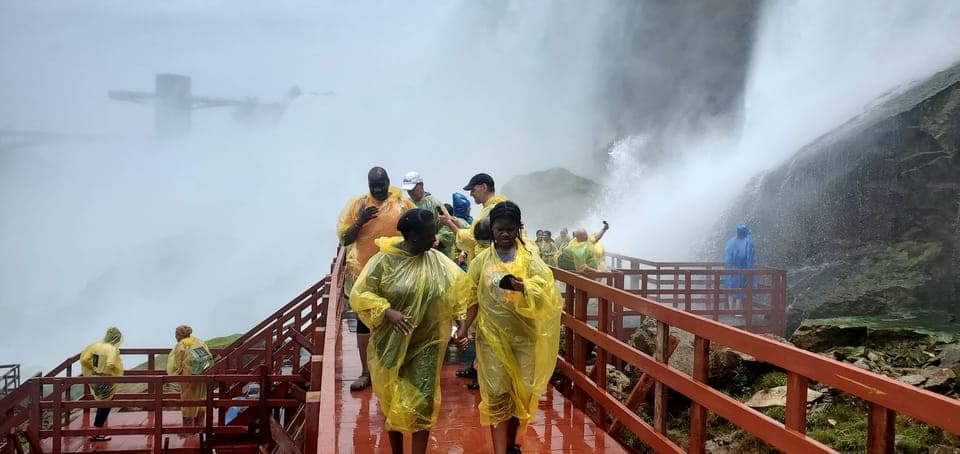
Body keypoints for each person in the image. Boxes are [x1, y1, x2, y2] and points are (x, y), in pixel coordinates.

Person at [350, 209, 464, 454]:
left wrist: (460, 325)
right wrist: (387, 311)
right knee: (391, 399)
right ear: (412, 235)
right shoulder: (383, 261)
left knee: (422, 402)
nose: (434, 239)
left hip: (427, 343)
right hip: (390, 341)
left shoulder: (436, 260)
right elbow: (360, 294)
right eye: (429, 234)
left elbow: (457, 291)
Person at [454, 201, 562, 454]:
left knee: (521, 393)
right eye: (500, 229)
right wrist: (462, 329)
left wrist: (525, 286)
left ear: (518, 230)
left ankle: (512, 442)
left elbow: (548, 292)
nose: (504, 234)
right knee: (497, 395)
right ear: (491, 229)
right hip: (492, 338)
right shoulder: (480, 262)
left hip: (525, 337)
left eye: (510, 230)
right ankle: (500, 450)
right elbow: (472, 297)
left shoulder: (530, 260)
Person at [337, 167, 416, 391]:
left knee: (399, 320)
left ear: (388, 181)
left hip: (398, 273)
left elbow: (418, 228)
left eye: (382, 184)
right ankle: (365, 372)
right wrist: (360, 221)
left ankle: (399, 369)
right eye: (374, 185)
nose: (379, 189)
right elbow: (345, 239)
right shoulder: (358, 205)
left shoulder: (402, 204)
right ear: (369, 183)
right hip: (365, 275)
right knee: (365, 322)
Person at [439, 173, 508, 266]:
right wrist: (458, 225)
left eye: (473, 190)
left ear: (484, 187)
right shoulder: (497, 207)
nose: (471, 194)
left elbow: (474, 239)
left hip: (491, 263)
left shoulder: (491, 210)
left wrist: (449, 224)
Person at [80, 326, 124, 442]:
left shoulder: (95, 346)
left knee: (101, 404)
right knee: (105, 406)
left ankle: (97, 430)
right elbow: (110, 363)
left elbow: (84, 359)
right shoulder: (111, 349)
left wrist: (94, 367)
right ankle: (97, 431)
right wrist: (114, 369)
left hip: (94, 378)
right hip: (106, 380)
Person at [166, 325, 213, 429]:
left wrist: (176, 373)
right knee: (201, 398)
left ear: (179, 335)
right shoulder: (199, 342)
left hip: (187, 377)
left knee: (187, 401)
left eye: (176, 334)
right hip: (202, 374)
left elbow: (177, 363)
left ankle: (188, 429)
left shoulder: (181, 345)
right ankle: (200, 427)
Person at [724, 224, 756, 307]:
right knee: (739, 289)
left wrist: (730, 266)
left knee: (731, 288)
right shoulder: (747, 242)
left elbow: (728, 257)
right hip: (741, 269)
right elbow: (748, 256)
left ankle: (731, 309)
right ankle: (737, 310)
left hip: (731, 269)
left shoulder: (731, 241)